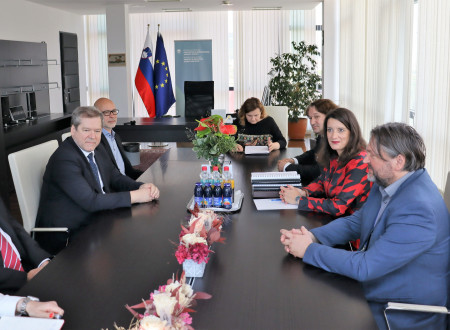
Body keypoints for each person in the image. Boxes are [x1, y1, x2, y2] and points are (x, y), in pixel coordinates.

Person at [280, 123, 449, 330]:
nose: (365, 159)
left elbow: (366, 266)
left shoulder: (419, 209)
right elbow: (359, 221)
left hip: (398, 310)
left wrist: (307, 250)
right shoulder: (388, 181)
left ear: (398, 161)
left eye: (373, 155)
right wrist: (312, 237)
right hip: (374, 285)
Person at [36, 106, 160, 254]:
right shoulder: (64, 159)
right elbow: (91, 201)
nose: (92, 136)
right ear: (73, 130)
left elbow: (115, 177)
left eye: (97, 131)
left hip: (98, 219)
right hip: (69, 236)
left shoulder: (97, 148)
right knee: (132, 249)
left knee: (144, 239)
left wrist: (141, 186)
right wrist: (135, 196)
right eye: (86, 130)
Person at [280, 108, 371, 217]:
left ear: (352, 132)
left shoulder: (361, 162)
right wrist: (303, 192)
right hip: (335, 219)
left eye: (340, 130)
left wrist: (298, 200)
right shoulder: (334, 155)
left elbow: (338, 206)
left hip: (354, 226)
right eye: (329, 130)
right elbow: (322, 182)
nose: (333, 136)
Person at [277, 99, 338, 185]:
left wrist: (288, 167)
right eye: (310, 118)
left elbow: (319, 171)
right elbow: (313, 153)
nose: (312, 122)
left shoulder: (335, 140)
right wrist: (294, 160)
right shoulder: (323, 135)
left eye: (316, 117)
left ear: (329, 116)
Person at [0, 200, 50, 293]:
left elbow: (16, 228)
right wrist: (26, 277)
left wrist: (42, 261)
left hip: (26, 267)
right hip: (6, 289)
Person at [94, 97, 143, 180]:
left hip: (125, 181)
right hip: (116, 187)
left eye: (113, 111)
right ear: (96, 115)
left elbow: (128, 170)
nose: (112, 116)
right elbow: (108, 177)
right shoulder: (95, 141)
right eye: (106, 112)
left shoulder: (116, 137)